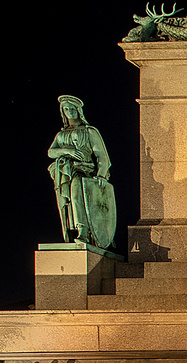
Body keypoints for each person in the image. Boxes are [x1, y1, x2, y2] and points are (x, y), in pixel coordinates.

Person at [46, 95, 117, 249]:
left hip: (85, 171)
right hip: (65, 172)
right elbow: (51, 152)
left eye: (72, 108)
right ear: (62, 111)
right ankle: (73, 231)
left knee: (76, 187)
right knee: (68, 200)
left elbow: (102, 156)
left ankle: (83, 231)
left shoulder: (90, 131)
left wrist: (101, 175)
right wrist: (67, 150)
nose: (70, 112)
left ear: (79, 110)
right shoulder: (61, 135)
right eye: (66, 109)